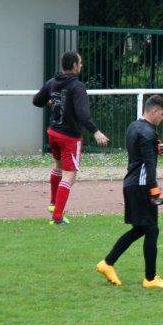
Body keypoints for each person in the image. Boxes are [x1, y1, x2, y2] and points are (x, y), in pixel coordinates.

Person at [96, 94, 163, 289]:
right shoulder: (149, 133)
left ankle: (107, 263)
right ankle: (150, 279)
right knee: (152, 229)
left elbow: (139, 152)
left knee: (142, 228)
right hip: (142, 186)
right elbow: (148, 165)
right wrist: (155, 192)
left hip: (131, 184)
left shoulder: (134, 126)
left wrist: (156, 148)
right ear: (154, 111)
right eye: (162, 114)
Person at [32, 51, 109, 224]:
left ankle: (53, 204)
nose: (81, 65)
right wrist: (96, 131)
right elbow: (83, 114)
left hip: (53, 133)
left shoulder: (53, 82)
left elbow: (36, 100)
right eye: (80, 63)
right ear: (74, 65)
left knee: (58, 167)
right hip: (69, 137)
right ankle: (57, 217)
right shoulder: (77, 86)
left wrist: (50, 102)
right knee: (69, 176)